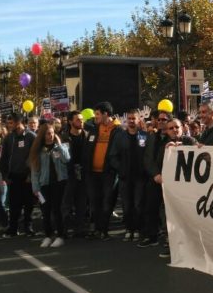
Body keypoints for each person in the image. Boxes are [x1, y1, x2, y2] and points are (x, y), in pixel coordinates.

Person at [140, 117, 195, 256]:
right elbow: (158, 162)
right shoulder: (164, 143)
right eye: (171, 128)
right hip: (165, 185)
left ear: (182, 128)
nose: (174, 130)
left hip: (185, 188)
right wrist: (167, 150)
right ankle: (169, 242)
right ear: (167, 131)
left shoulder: (191, 141)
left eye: (177, 127)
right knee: (165, 213)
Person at [29, 122, 69, 248]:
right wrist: (35, 188)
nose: (50, 136)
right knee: (45, 211)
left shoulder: (60, 147)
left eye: (52, 133)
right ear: (42, 135)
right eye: (47, 134)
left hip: (59, 183)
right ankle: (48, 235)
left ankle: (60, 236)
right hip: (44, 185)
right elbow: (35, 171)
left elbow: (67, 159)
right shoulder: (38, 150)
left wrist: (60, 145)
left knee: (57, 209)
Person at [109, 111, 148, 242]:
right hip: (125, 177)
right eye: (129, 118)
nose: (131, 121)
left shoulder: (143, 136)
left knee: (138, 204)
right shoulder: (120, 136)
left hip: (140, 177)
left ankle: (137, 229)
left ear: (138, 120)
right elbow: (113, 156)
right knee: (126, 205)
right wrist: (120, 168)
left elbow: (147, 154)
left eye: (133, 118)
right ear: (126, 120)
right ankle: (128, 229)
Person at [84, 101, 119, 240]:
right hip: (92, 173)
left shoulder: (118, 130)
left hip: (109, 174)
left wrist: (115, 167)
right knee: (94, 201)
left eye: (97, 114)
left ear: (106, 114)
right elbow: (87, 149)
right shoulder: (94, 129)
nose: (95, 117)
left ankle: (104, 230)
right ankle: (96, 228)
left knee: (107, 202)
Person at [0, 113, 37, 237]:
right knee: (14, 204)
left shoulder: (31, 136)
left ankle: (28, 227)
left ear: (18, 122)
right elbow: (4, 158)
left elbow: (36, 157)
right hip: (13, 176)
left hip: (27, 176)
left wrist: (31, 175)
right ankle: (13, 228)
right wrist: (5, 176)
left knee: (28, 204)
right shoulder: (8, 138)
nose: (9, 125)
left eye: (11, 123)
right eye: (8, 123)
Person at [60, 110, 88, 237]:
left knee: (81, 202)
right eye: (78, 120)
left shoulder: (87, 136)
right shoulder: (64, 137)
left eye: (82, 120)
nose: (81, 122)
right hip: (68, 173)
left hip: (83, 173)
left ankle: (80, 229)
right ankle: (65, 229)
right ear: (71, 122)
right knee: (67, 202)